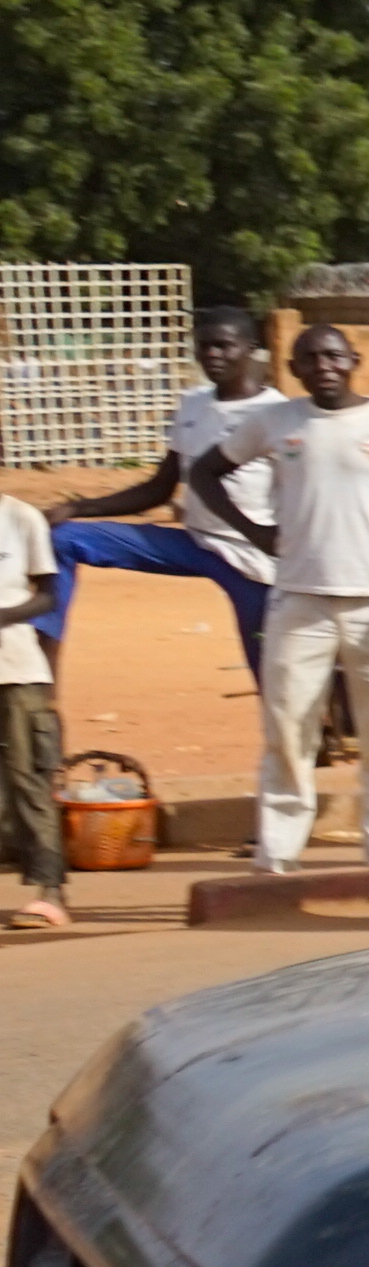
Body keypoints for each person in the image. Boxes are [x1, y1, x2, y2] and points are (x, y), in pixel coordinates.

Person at [203, 322, 369, 876]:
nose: (323, 366)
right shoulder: (276, 421)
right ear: (295, 368)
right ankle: (278, 853)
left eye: (334, 355)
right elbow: (205, 472)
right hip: (298, 602)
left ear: (355, 359)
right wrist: (256, 532)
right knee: (287, 732)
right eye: (309, 359)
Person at [43, 305, 284, 689]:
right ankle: (43, 672)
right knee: (64, 539)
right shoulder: (193, 403)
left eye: (223, 346)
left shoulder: (276, 414)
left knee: (273, 678)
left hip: (248, 556)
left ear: (251, 348)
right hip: (191, 540)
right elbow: (160, 487)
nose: (212, 356)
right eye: (204, 347)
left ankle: (357, 721)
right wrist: (78, 507)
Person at [0, 352, 63, 934]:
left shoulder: (21, 519)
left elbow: (47, 597)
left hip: (16, 668)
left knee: (28, 777)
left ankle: (47, 887)